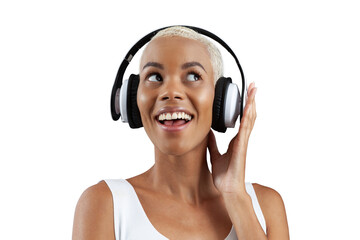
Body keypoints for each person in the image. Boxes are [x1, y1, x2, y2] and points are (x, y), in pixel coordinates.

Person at [72, 26, 289, 240]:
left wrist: (236, 196)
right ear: (132, 100)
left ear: (222, 101)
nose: (171, 92)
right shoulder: (105, 204)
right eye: (155, 77)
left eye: (193, 76)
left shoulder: (265, 206)